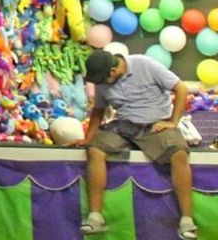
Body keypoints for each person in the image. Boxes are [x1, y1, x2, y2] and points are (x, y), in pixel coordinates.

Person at [77, 48, 197, 239]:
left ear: (113, 71)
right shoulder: (103, 80)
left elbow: (181, 89)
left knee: (179, 153)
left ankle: (187, 221)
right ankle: (95, 217)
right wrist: (88, 138)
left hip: (155, 124)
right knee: (94, 151)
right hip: (124, 125)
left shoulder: (145, 64)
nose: (99, 84)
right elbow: (98, 111)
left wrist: (172, 122)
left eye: (101, 80)